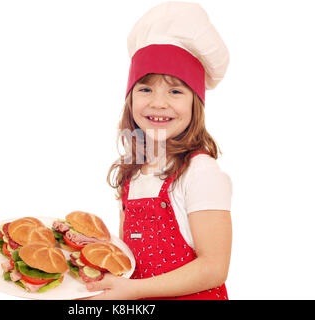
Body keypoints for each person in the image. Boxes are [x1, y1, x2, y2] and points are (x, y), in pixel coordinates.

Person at [86, 2, 232, 300]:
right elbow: (132, 253)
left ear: (196, 104)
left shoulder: (201, 172)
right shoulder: (133, 169)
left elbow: (214, 267)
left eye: (175, 91)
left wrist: (131, 291)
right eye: (145, 89)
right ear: (130, 98)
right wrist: (97, 247)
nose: (158, 102)